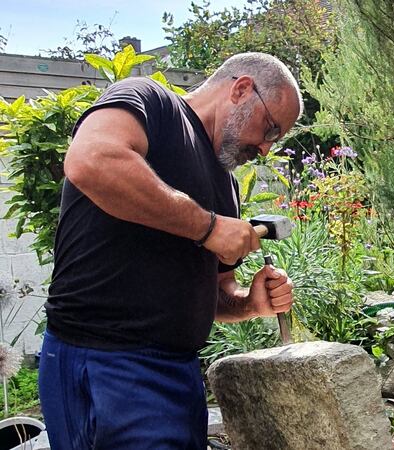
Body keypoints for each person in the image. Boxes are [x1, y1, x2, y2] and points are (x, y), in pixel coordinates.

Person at [37, 52, 302, 449]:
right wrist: (209, 227)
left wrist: (250, 303)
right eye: (270, 129)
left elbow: (216, 294)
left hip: (177, 374)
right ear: (242, 89)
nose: (265, 149)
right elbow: (91, 160)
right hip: (107, 361)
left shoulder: (225, 186)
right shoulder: (149, 102)